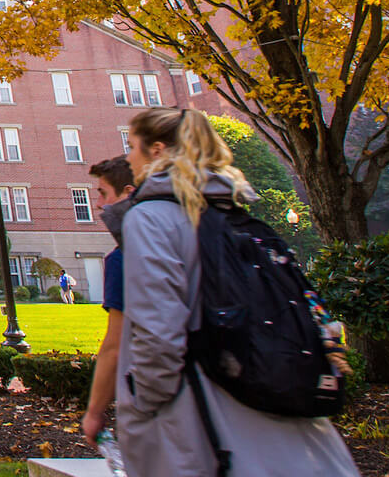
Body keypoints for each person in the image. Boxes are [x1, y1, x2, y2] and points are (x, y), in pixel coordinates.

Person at [117, 107, 358, 477]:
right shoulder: (240, 217)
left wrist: (143, 407)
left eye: (131, 146)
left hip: (206, 415)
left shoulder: (150, 218)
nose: (127, 157)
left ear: (157, 150)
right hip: (280, 406)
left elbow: (157, 333)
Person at [81, 155, 137, 448]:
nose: (99, 205)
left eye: (103, 193)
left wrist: (94, 412)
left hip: (153, 395)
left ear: (128, 194)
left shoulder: (125, 256)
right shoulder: (186, 234)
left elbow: (115, 345)